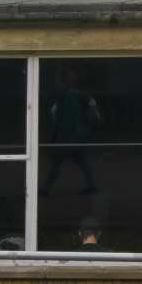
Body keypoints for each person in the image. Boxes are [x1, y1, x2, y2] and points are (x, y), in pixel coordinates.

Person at [40, 67, 100, 196]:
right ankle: (91, 186)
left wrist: (59, 137)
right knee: (82, 161)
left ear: (63, 79)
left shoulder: (69, 95)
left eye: (57, 77)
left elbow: (68, 119)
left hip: (69, 136)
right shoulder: (68, 94)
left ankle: (45, 189)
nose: (55, 80)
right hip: (73, 136)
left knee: (56, 160)